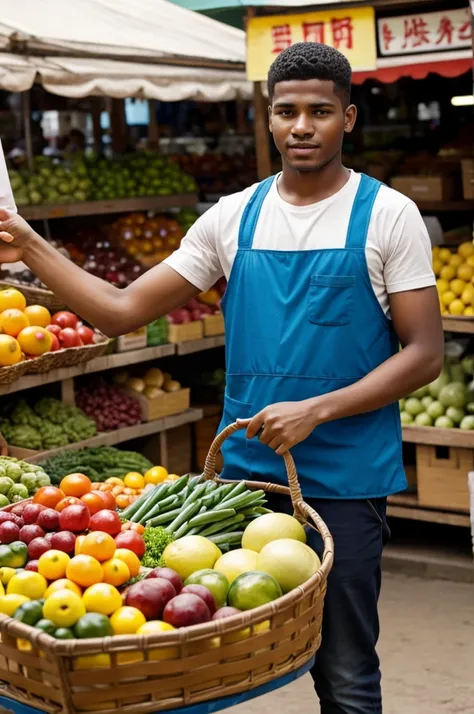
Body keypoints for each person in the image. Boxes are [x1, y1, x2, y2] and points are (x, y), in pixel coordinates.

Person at [0, 43, 443, 714]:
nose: (301, 126)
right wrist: (30, 244)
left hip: (347, 475)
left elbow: (424, 353)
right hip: (245, 477)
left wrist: (316, 411)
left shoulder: (388, 215)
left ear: (347, 119)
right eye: (286, 111)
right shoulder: (232, 216)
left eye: (320, 112)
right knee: (217, 660)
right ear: (267, 119)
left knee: (346, 668)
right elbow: (121, 312)